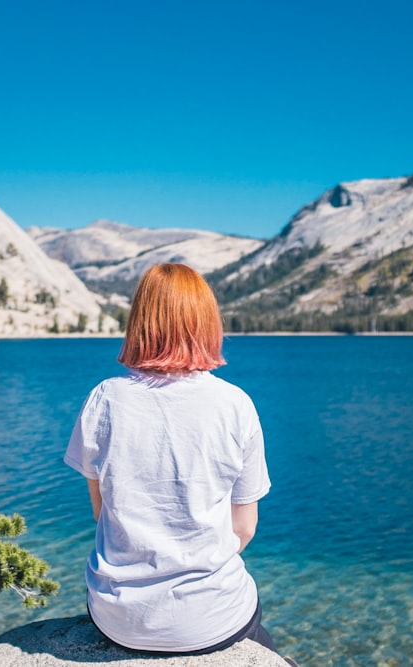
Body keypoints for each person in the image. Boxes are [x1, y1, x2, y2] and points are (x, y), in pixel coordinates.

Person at [64, 263, 290, 660]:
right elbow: (244, 528)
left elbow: (102, 513)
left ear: (140, 321)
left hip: (118, 617)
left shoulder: (105, 398)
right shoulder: (235, 405)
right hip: (213, 616)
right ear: (206, 323)